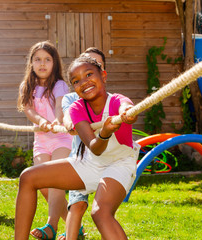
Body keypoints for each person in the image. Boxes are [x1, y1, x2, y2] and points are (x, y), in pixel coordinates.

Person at [15, 55, 140, 240]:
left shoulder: (116, 101)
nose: (84, 82)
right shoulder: (76, 108)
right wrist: (104, 132)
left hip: (120, 163)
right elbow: (95, 147)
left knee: (100, 212)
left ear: (104, 76)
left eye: (89, 74)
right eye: (76, 81)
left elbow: (126, 108)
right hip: (91, 161)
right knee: (28, 177)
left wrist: (126, 113)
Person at [17, 41, 73, 239]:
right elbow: (28, 110)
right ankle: (74, 223)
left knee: (55, 180)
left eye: (47, 60)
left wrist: (57, 122)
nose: (42, 64)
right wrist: (42, 121)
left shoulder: (59, 85)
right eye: (38, 59)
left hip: (61, 138)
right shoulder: (27, 86)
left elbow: (60, 106)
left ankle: (51, 226)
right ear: (31, 63)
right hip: (41, 140)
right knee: (41, 184)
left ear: (54, 63)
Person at [58, 47, 106, 240]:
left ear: (103, 73)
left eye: (94, 67)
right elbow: (69, 114)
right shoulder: (71, 98)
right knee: (77, 204)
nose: (87, 78)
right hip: (81, 159)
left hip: (106, 160)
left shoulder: (108, 99)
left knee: (103, 210)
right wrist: (70, 123)